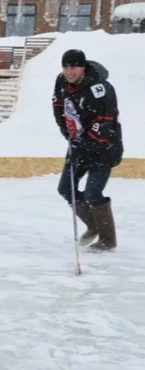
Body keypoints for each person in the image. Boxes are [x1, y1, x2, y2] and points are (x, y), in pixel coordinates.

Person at [52, 49, 122, 251]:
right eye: (65, 67)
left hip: (104, 147)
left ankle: (108, 240)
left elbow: (105, 123)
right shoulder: (61, 81)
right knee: (65, 188)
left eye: (73, 67)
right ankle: (93, 227)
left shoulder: (101, 89)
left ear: (83, 67)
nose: (69, 72)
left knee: (93, 193)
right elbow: (58, 104)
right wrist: (66, 130)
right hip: (77, 145)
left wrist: (83, 145)